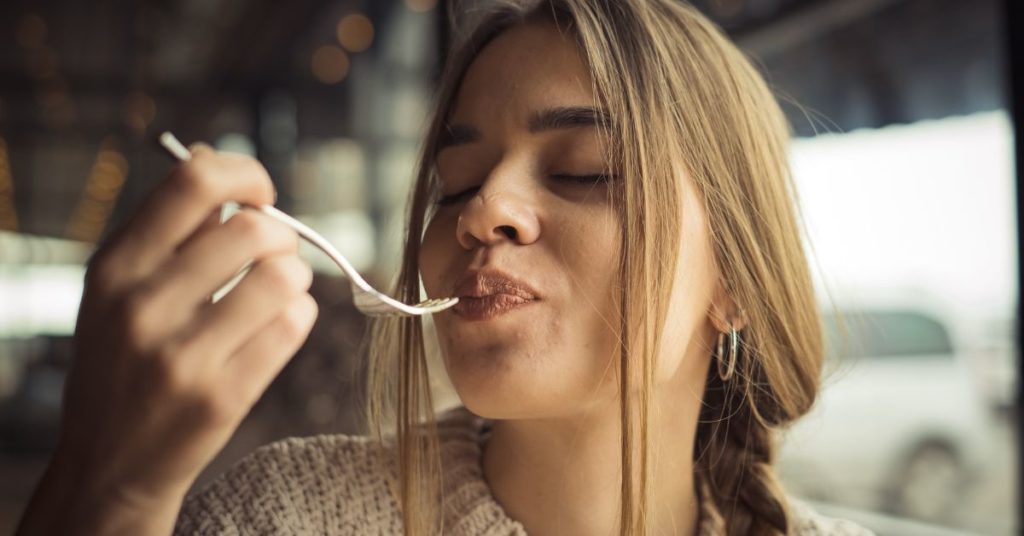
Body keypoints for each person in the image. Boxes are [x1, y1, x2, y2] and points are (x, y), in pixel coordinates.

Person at [16, 1, 875, 535]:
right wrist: (107, 497)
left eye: (582, 169)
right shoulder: (285, 518)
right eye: (454, 182)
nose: (479, 209)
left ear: (733, 283)